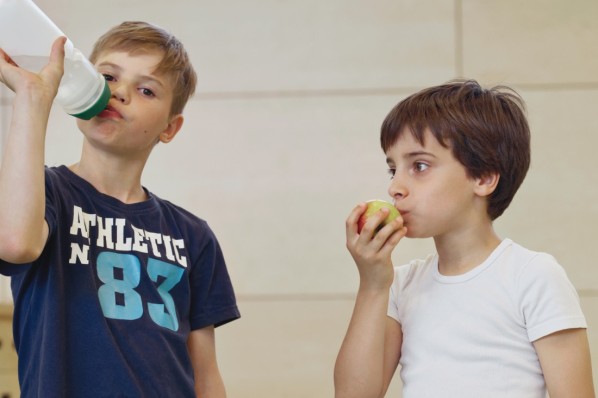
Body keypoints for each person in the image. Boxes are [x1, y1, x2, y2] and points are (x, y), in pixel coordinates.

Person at [0, 21, 240, 397]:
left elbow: (205, 373)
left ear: (169, 128)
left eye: (146, 89)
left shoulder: (193, 235)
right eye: (108, 76)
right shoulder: (44, 192)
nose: (120, 93)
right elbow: (14, 244)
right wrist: (31, 97)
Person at [334, 80, 595, 398]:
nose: (395, 187)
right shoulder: (401, 285)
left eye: (419, 166)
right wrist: (373, 285)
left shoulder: (533, 276)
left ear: (483, 178)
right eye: (393, 170)